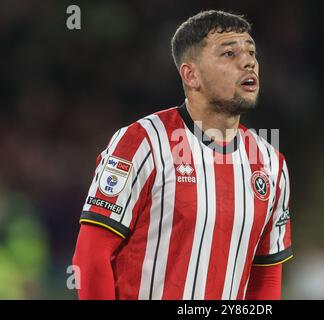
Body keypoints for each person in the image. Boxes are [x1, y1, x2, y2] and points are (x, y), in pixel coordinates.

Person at [73, 10, 293, 300]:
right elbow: (91, 256)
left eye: (251, 52)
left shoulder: (270, 164)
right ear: (191, 75)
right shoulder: (142, 142)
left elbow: (265, 275)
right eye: (229, 53)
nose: (248, 61)